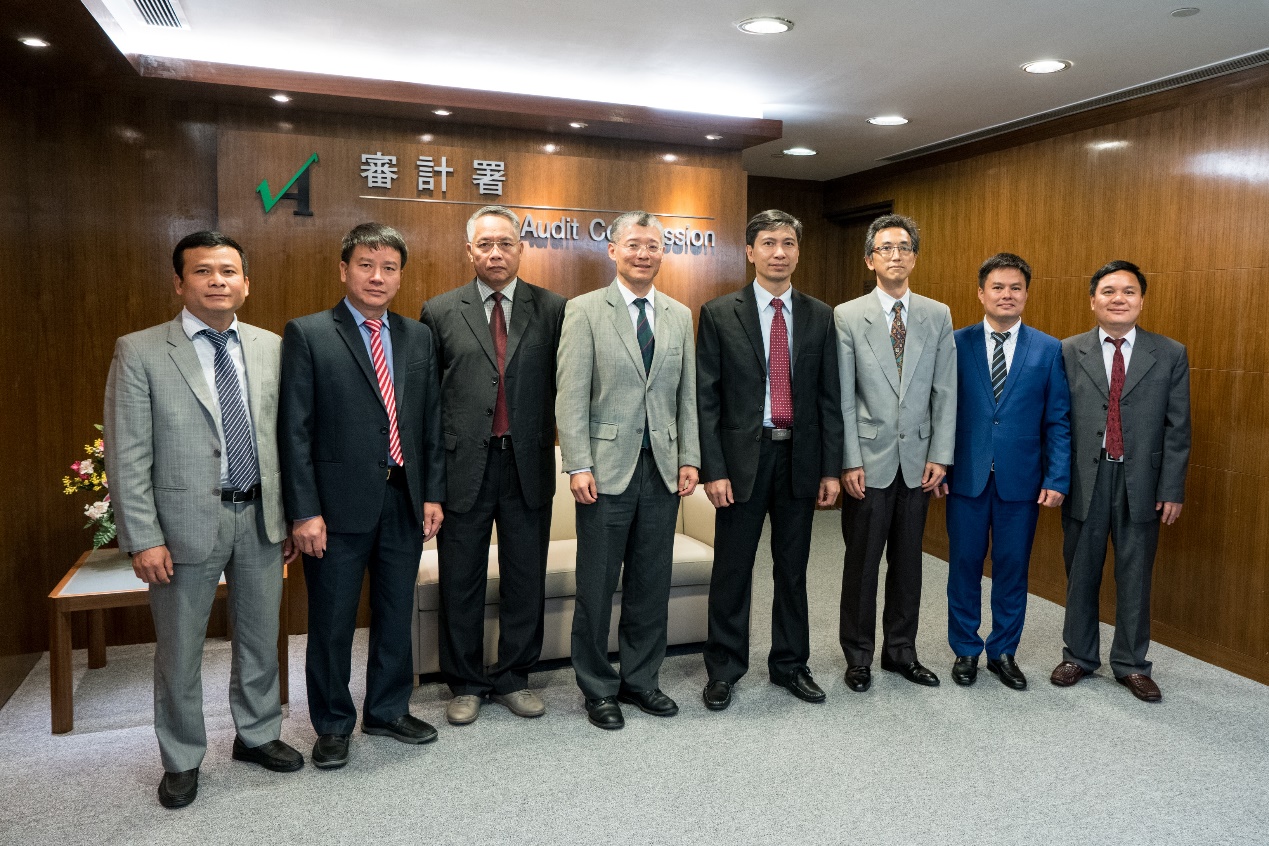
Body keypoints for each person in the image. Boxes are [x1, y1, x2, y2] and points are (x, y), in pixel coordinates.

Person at [104, 231, 302, 809]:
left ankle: (258, 734)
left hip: (261, 517)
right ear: (179, 282)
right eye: (203, 271)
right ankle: (183, 756)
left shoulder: (271, 346)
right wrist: (142, 536)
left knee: (261, 637)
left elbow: (285, 439)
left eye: (228, 271)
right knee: (180, 648)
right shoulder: (140, 350)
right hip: (185, 522)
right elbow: (127, 453)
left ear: (246, 282)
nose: (218, 281)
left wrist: (289, 514)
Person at [280, 222, 445, 768]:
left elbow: (428, 423)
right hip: (335, 506)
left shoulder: (417, 336)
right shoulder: (309, 333)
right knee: (331, 620)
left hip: (403, 498)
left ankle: (387, 709)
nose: (378, 277)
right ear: (344, 270)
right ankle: (331, 723)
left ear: (400, 275)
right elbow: (295, 431)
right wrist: (304, 511)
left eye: (389, 268)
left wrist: (431, 494)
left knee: (396, 611)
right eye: (367, 266)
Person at [420, 206, 566, 725]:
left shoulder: (552, 308)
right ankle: (466, 682)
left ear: (521, 248)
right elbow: (428, 404)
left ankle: (513, 676)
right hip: (464, 467)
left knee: (526, 576)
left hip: (527, 464)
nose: (496, 252)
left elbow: (565, 387)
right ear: (469, 251)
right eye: (485, 244)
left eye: (505, 243)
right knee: (461, 577)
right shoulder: (439, 311)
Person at [555, 210, 700, 730]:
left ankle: (641, 680)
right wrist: (577, 463)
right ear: (612, 250)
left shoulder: (680, 315)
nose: (644, 253)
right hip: (605, 470)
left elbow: (687, 396)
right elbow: (570, 396)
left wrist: (690, 457)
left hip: (661, 469)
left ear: (663, 254)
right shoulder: (585, 310)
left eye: (653, 245)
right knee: (596, 585)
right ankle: (597, 688)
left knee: (650, 582)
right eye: (634, 244)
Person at [696, 210, 843, 710]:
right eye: (768, 243)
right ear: (750, 252)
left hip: (799, 457)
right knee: (732, 569)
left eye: (788, 243)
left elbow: (829, 399)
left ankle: (789, 664)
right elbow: (706, 399)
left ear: (798, 252)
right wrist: (713, 469)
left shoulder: (821, 315)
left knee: (793, 567)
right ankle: (724, 668)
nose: (779, 252)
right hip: (740, 462)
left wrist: (829, 468)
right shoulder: (719, 313)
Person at [1051, 260, 1190, 702]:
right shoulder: (1068, 351)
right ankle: (1079, 655)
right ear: (1093, 300)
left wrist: (1171, 488)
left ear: (1141, 301)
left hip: (1143, 483)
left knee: (1135, 575)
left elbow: (1178, 428)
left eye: (1128, 292)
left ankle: (1131, 663)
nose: (1118, 299)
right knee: (1081, 572)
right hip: (1084, 478)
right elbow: (1056, 421)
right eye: (1108, 291)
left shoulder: (1169, 353)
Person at [834, 213, 956, 691]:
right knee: (861, 564)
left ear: (915, 258)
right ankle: (858, 655)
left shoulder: (937, 313)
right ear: (870, 259)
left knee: (909, 564)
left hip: (920, 461)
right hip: (867, 460)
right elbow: (843, 396)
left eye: (904, 247)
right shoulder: (847, 314)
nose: (896, 255)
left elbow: (946, 391)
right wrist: (848, 459)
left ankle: (900, 652)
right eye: (885, 248)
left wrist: (941, 455)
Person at [944, 253, 1070, 690]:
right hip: (966, 476)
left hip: (1023, 481)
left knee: (1013, 567)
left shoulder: (1049, 348)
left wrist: (1057, 478)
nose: (1006, 295)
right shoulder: (955, 343)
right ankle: (964, 650)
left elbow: (1057, 420)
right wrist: (939, 464)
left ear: (1026, 294)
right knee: (963, 564)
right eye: (997, 287)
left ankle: (1003, 651)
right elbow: (940, 410)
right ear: (981, 293)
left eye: (1015, 287)